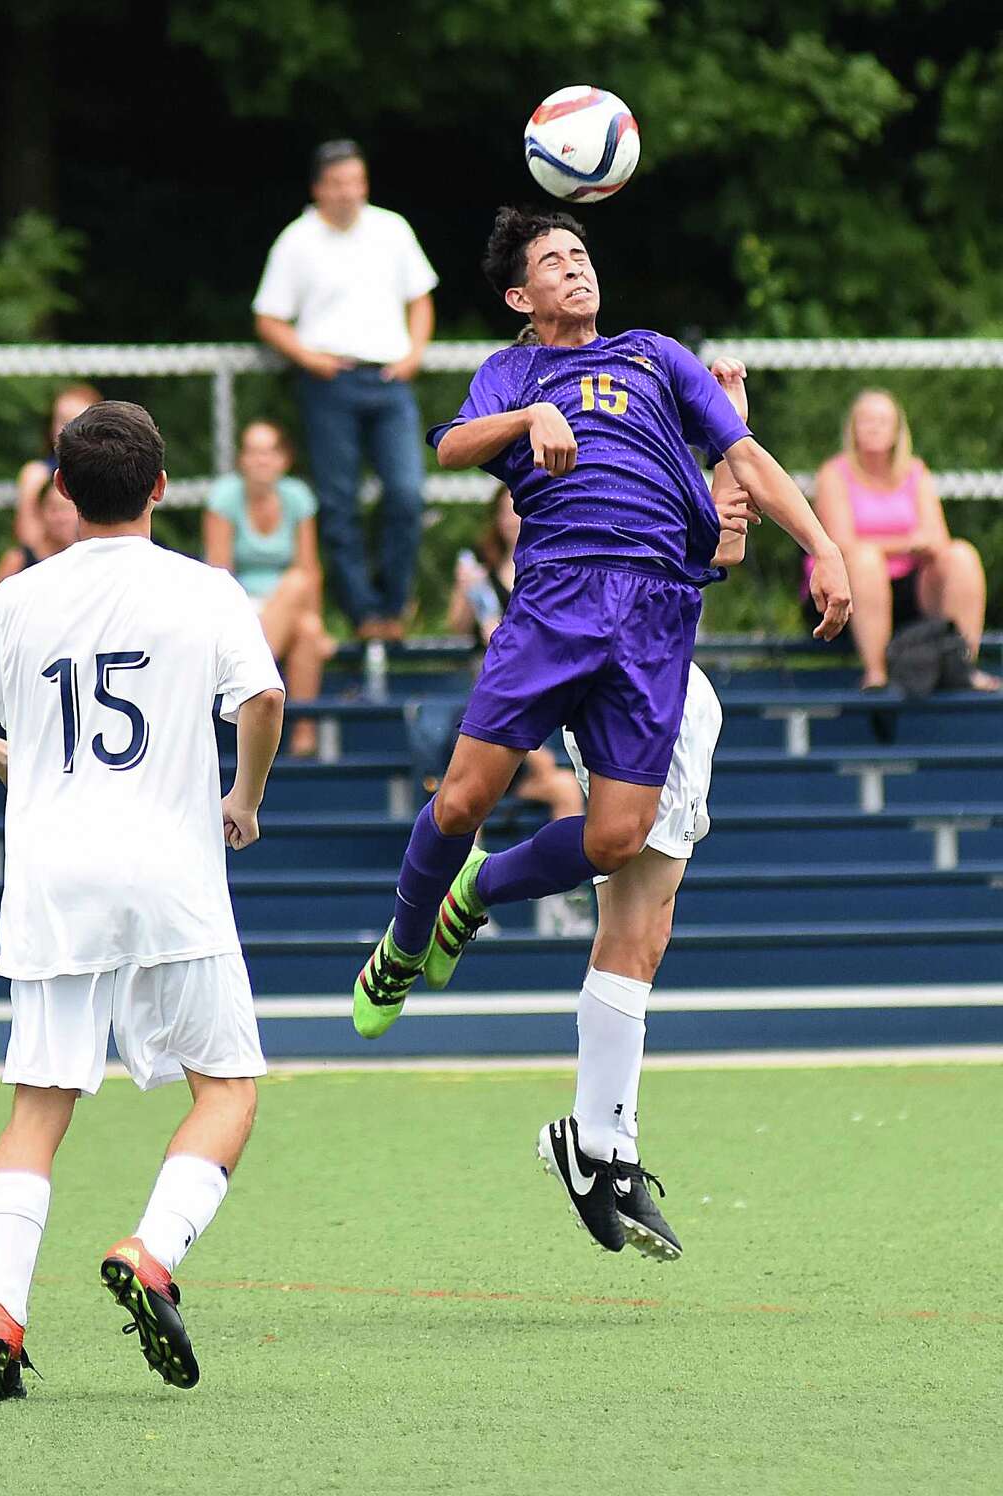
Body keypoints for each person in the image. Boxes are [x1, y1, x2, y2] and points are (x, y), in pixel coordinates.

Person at [352, 205, 851, 1037]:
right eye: (553, 262)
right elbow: (450, 446)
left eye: (580, 253)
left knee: (619, 838)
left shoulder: (656, 355)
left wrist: (823, 546)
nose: (576, 268)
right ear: (521, 298)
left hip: (659, 611)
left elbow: (745, 457)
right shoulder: (514, 374)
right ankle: (402, 946)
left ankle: (473, 892)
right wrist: (527, 418)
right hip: (559, 599)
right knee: (461, 801)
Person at [0, 400, 285, 1401]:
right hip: (169, 873)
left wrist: (11, 761)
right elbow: (266, 697)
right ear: (162, 486)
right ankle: (154, 1249)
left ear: (63, 494)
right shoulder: (202, 590)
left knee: (38, 1107)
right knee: (229, 1086)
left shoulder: (20, 598)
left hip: (54, 880)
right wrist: (241, 799)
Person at [542, 357, 752, 1264]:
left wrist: (730, 436)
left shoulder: (671, 469)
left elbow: (726, 542)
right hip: (633, 694)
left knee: (648, 932)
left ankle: (602, 1143)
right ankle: (602, 1149)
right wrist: (725, 443)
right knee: (631, 927)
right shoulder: (616, 482)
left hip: (679, 695)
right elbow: (716, 537)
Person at [253, 139, 437, 641]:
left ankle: (394, 607)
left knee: (407, 492)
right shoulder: (297, 241)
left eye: (355, 181)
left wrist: (413, 353)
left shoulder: (391, 229)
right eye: (337, 183)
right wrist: (313, 360)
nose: (348, 193)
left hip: (388, 377)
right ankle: (363, 616)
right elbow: (269, 317)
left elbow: (420, 299)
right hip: (329, 381)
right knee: (338, 503)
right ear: (318, 189)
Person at [812, 389, 997, 690]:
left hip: (912, 585)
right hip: (847, 589)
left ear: (898, 430)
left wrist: (905, 545)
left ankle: (962, 665)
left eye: (882, 421)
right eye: (867, 420)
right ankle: (876, 674)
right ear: (853, 429)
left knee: (961, 556)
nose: (874, 427)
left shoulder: (916, 472)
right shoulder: (833, 474)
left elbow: (938, 540)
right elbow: (841, 544)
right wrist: (907, 543)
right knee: (866, 560)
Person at [447, 484, 583, 824]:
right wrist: (465, 592)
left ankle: (562, 878)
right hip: (491, 694)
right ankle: (458, 876)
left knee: (565, 787)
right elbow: (457, 627)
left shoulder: (552, 567)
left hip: (536, 695)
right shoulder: (480, 569)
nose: (510, 519)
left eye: (517, 509)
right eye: (503, 512)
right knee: (462, 798)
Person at [204, 420, 333, 757]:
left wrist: (315, 624)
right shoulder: (224, 497)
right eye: (253, 452)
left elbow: (310, 568)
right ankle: (257, 680)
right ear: (242, 460)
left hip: (287, 606)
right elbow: (219, 574)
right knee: (301, 606)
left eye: (269, 452)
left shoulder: (297, 498)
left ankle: (301, 732)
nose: (261, 460)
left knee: (309, 626)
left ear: (283, 459)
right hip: (240, 606)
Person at [14, 384, 103, 550]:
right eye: (60, 420)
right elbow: (28, 538)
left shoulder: (110, 471)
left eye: (76, 421)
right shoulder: (37, 474)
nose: (65, 429)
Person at [0, 477, 80, 590]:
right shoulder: (18, 561)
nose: (61, 518)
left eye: (67, 509)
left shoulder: (88, 561)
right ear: (40, 511)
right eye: (54, 509)